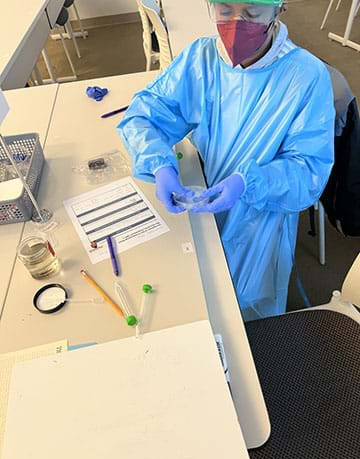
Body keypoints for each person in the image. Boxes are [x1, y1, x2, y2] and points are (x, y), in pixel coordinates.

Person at [118, 0, 335, 321]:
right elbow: (144, 115)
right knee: (193, 300)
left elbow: (308, 171)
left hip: (260, 224)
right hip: (203, 204)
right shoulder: (200, 60)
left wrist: (248, 182)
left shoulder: (306, 77)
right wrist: (160, 165)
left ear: (279, 10)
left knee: (246, 319)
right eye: (224, 9)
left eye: (251, 12)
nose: (236, 23)